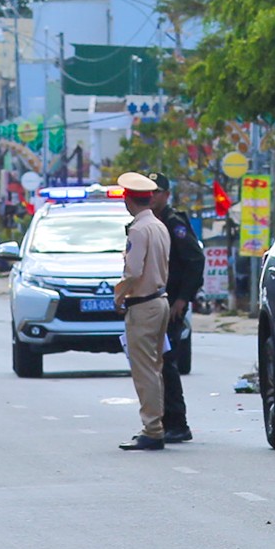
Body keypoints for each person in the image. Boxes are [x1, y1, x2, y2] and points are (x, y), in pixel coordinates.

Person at [115, 174, 173, 451]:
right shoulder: (159, 226)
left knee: (144, 371)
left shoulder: (138, 230)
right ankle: (156, 425)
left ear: (128, 200)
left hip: (143, 305)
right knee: (155, 368)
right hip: (160, 300)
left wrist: (119, 293)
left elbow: (134, 271)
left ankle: (152, 429)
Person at [159, 185, 205, 445]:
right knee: (158, 363)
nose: (150, 197)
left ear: (166, 195)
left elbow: (195, 260)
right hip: (156, 301)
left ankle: (177, 422)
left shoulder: (173, 223)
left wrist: (183, 299)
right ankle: (164, 420)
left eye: (155, 192)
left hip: (172, 304)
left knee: (166, 361)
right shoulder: (151, 222)